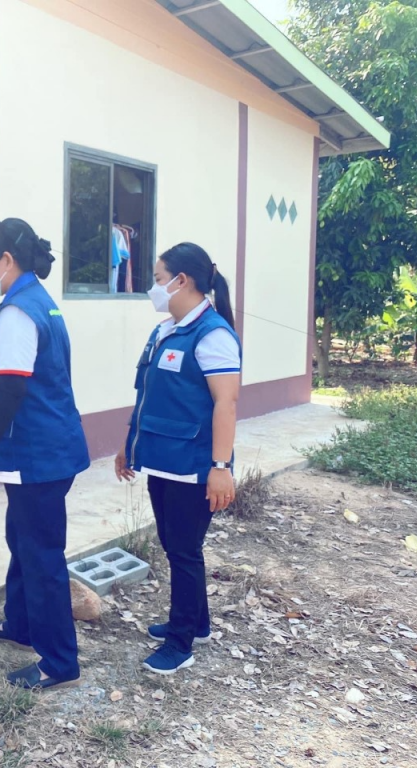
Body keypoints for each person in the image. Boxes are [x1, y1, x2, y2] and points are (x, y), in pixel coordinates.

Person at [0, 218, 91, 690]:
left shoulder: (18, 313)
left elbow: (9, 392)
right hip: (48, 448)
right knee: (22, 539)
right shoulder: (39, 302)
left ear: (6, 259)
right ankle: (21, 626)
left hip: (36, 454)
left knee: (41, 557)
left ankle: (58, 662)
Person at [115, 242, 241, 675]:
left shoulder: (213, 335)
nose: (154, 287)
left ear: (181, 281)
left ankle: (180, 642)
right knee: (174, 545)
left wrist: (220, 468)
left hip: (193, 466)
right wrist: (129, 445)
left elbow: (226, 405)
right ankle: (196, 623)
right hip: (162, 460)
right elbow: (147, 394)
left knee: (185, 551)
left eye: (157, 279)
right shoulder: (167, 330)